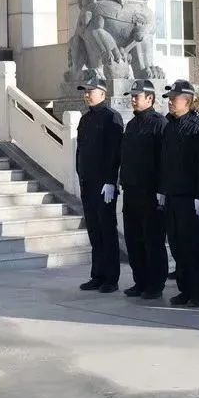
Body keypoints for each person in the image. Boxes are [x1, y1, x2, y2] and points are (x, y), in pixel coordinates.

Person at [159, 80, 199, 308]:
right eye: (169, 99)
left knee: (194, 247)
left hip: (191, 197)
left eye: (174, 99)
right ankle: (184, 288)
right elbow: (164, 161)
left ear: (188, 101)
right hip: (172, 194)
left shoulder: (196, 125)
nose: (170, 102)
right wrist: (162, 189)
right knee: (178, 245)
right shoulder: (170, 125)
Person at [119, 79, 169, 299]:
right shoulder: (131, 124)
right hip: (131, 191)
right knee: (134, 239)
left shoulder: (159, 124)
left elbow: (165, 159)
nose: (133, 99)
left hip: (150, 193)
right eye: (132, 95)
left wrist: (161, 189)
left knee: (152, 240)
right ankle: (140, 281)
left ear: (150, 98)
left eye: (137, 96)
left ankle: (155, 284)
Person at [75, 75, 124, 293]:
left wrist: (110, 181)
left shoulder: (111, 118)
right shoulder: (85, 119)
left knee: (107, 230)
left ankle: (111, 278)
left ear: (103, 94)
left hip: (104, 186)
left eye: (91, 91)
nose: (87, 95)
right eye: (85, 91)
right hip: (87, 183)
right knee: (94, 232)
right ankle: (97, 274)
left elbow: (114, 153)